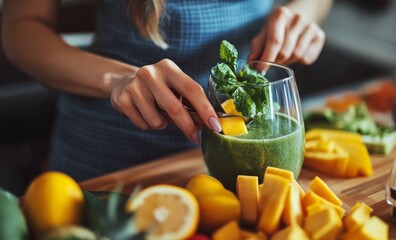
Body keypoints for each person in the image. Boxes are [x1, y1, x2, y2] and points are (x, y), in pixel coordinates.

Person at [2, 0, 332, 181]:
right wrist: (117, 79)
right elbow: (20, 29)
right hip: (109, 160)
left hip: (240, 153)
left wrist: (303, 11)